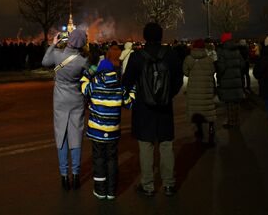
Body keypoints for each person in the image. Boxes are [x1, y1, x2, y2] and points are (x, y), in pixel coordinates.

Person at [122, 22, 183, 197]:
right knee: (166, 144)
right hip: (164, 108)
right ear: (161, 36)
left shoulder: (137, 56)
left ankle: (147, 185)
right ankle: (169, 184)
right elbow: (178, 80)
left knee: (146, 146)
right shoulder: (170, 55)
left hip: (143, 108)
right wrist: (166, 96)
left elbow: (126, 82)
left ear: (145, 36)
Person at [42, 28, 89, 191]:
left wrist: (53, 45)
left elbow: (44, 62)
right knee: (76, 135)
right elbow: (90, 74)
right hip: (76, 99)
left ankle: (64, 176)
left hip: (60, 100)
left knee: (61, 135)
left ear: (69, 40)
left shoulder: (57, 55)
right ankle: (76, 176)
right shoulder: (83, 60)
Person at [81, 58, 134, 200]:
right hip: (113, 132)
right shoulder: (120, 88)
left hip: (97, 131)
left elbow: (82, 84)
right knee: (112, 160)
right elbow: (130, 104)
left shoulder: (94, 87)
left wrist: (89, 72)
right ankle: (111, 191)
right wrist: (134, 89)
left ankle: (100, 191)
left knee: (98, 159)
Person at [183, 39, 217, 145]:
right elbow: (213, 71)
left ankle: (200, 132)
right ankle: (211, 131)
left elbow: (185, 72)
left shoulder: (189, 59)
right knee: (208, 109)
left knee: (197, 109)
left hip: (194, 88)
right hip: (207, 87)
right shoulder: (209, 60)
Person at [215, 33, 245, 129]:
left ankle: (232, 123)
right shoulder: (237, 50)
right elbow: (242, 64)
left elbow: (221, 67)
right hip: (236, 80)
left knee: (229, 103)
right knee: (236, 102)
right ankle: (236, 121)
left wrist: (218, 74)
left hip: (226, 80)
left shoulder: (222, 51)